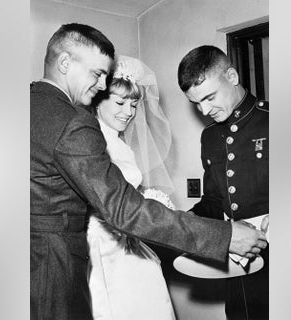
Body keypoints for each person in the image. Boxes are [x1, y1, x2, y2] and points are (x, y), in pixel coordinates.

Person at [31, 23, 267, 320]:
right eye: (97, 74)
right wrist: (222, 235)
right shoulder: (73, 122)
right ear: (64, 63)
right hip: (65, 261)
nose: (102, 85)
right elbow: (124, 210)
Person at [177, 45, 270, 320]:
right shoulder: (210, 137)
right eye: (196, 103)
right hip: (238, 266)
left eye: (209, 97)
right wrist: (185, 220)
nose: (205, 110)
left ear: (231, 76)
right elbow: (215, 201)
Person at [87, 55, 175, 320]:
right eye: (120, 102)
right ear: (98, 101)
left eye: (134, 104)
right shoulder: (92, 142)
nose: (128, 111)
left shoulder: (121, 145)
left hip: (128, 243)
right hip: (102, 249)